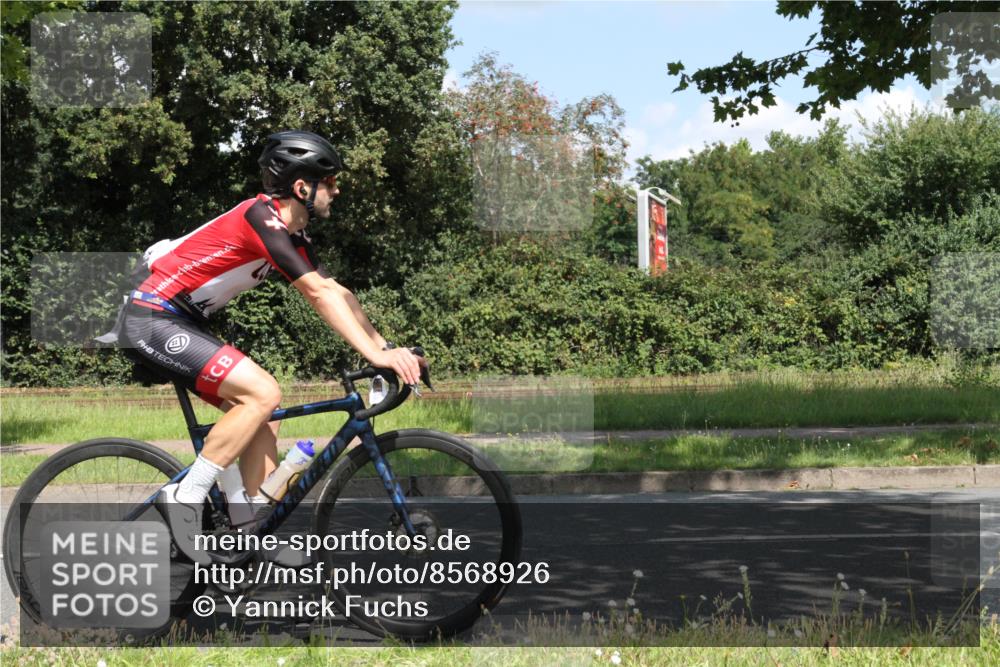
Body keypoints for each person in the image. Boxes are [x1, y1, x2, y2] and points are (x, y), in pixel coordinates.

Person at [116, 130, 425, 563]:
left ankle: (248, 533)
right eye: (330, 182)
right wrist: (376, 356)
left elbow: (334, 290)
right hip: (151, 318)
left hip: (181, 320)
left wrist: (386, 348)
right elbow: (316, 295)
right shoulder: (261, 219)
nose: (336, 191)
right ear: (303, 187)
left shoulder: (290, 232)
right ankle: (185, 496)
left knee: (264, 419)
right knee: (263, 392)